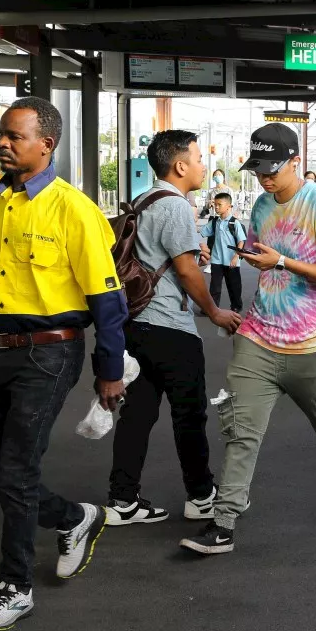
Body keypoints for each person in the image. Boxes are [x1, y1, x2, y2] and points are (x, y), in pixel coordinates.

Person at [179, 123, 316, 556]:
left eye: (272, 169)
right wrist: (247, 253)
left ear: (294, 162)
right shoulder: (264, 207)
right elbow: (265, 253)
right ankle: (224, 521)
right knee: (241, 431)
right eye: (258, 170)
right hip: (260, 338)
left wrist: (283, 261)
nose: (264, 178)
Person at [0, 97, 127, 630]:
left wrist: (109, 371)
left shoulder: (73, 208)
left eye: (16, 136)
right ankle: (74, 517)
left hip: (52, 351)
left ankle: (14, 587)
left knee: (17, 468)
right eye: (2, 134)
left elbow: (108, 301)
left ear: (48, 144)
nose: (4, 143)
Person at [107, 130, 243, 526]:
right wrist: (215, 311)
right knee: (189, 415)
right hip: (170, 326)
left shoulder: (143, 200)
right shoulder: (177, 206)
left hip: (136, 323)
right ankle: (201, 495)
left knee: (138, 414)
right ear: (180, 165)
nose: (203, 165)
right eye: (198, 158)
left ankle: (122, 500)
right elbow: (185, 270)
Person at [199, 192, 247, 311]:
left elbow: (241, 241)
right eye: (215, 204)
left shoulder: (234, 223)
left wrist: (236, 257)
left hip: (231, 260)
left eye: (219, 204)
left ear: (229, 206)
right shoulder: (215, 222)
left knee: (234, 286)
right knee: (214, 286)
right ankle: (212, 308)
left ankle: (236, 306)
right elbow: (202, 232)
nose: (216, 207)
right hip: (217, 259)